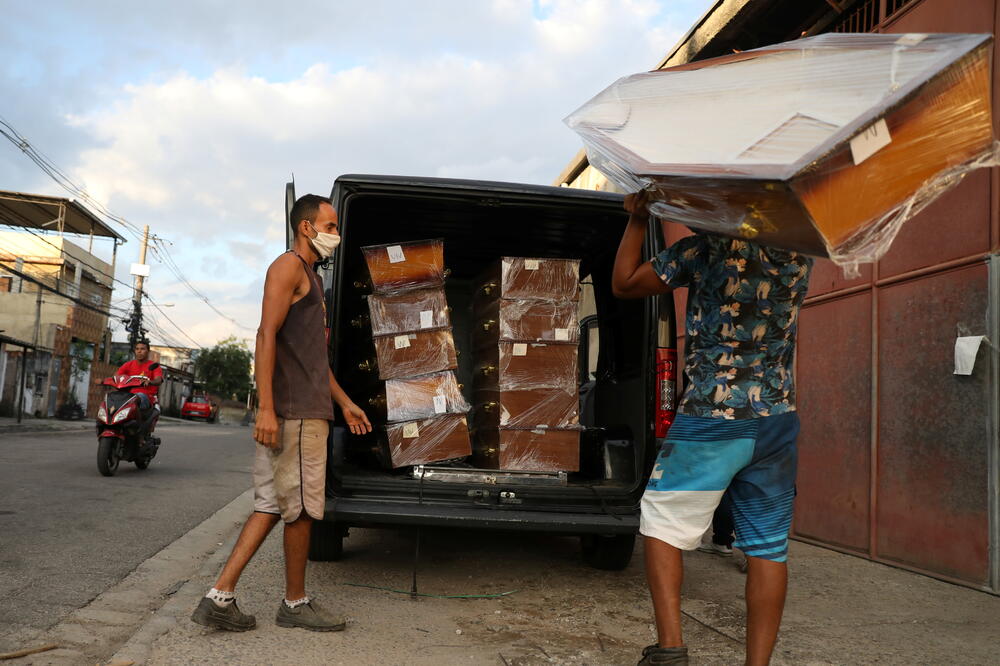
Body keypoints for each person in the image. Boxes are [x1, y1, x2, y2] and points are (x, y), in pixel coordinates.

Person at [612, 191, 812, 666]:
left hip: (711, 417)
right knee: (768, 546)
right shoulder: (800, 254)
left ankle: (671, 650)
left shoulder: (700, 251)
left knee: (662, 523)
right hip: (777, 418)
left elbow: (623, 284)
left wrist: (640, 219)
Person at [191, 194, 372, 633]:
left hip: (307, 407)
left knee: (271, 505)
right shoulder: (288, 266)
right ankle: (295, 603)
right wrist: (266, 409)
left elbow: (314, 361)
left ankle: (220, 596)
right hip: (295, 414)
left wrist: (345, 402)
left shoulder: (309, 275)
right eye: (330, 226)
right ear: (306, 227)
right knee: (304, 509)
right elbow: (264, 334)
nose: (336, 234)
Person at [115, 340, 162, 418]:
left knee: (137, 397)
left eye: (142, 349)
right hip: (128, 395)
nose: (139, 351)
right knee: (113, 397)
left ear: (148, 351)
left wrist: (150, 382)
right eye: (137, 349)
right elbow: (116, 376)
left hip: (146, 397)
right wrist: (108, 380)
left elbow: (158, 380)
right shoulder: (128, 365)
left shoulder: (154, 366)